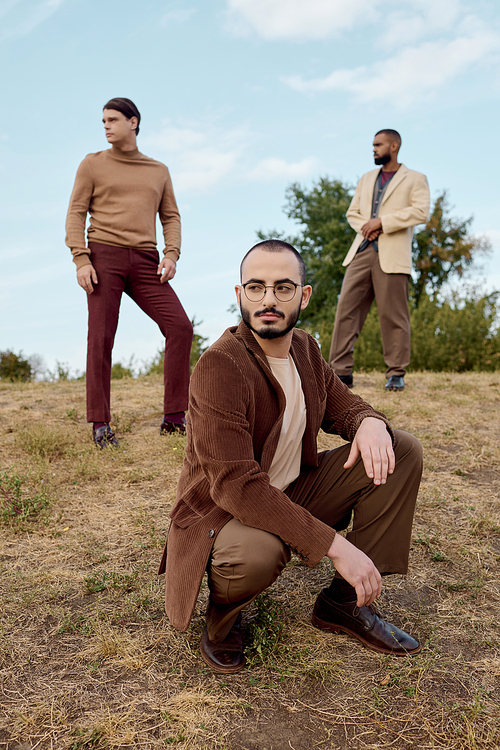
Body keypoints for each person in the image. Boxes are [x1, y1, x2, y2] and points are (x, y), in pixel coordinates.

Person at [159, 239, 423, 674]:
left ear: (303, 295)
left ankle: (343, 603)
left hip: (292, 492)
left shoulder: (305, 348)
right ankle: (222, 620)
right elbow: (236, 488)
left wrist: (370, 421)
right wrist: (336, 545)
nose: (268, 299)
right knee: (257, 552)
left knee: (401, 449)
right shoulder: (220, 365)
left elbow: (345, 407)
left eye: (283, 288)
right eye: (256, 287)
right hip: (226, 515)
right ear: (240, 294)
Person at [65, 97, 193, 448]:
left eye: (113, 119)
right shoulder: (91, 165)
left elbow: (171, 216)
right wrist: (81, 259)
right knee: (101, 337)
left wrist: (171, 254)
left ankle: (174, 417)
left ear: (133, 122)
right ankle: (100, 423)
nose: (106, 125)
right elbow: (75, 213)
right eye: (103, 120)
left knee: (180, 326)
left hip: (146, 260)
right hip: (103, 257)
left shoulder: (157, 170)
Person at [329, 129, 430, 391]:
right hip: (362, 250)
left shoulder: (416, 179)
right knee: (346, 310)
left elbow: (420, 211)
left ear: (394, 146)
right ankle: (340, 372)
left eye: (378, 144)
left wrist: (382, 222)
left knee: (393, 316)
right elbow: (353, 213)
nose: (373, 149)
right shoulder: (366, 178)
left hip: (393, 255)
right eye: (373, 145)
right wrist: (368, 226)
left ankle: (396, 373)